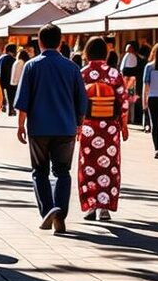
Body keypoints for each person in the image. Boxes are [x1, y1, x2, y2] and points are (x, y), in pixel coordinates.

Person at [14, 24, 87, 234]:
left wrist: (20, 125)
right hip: (66, 127)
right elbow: (81, 100)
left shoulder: (31, 66)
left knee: (40, 171)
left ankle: (48, 209)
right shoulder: (72, 67)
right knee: (63, 171)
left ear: (39, 41)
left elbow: (23, 101)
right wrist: (79, 124)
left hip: (39, 127)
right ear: (60, 41)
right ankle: (60, 213)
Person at [77, 37, 129, 221]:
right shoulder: (114, 74)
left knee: (88, 165)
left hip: (88, 126)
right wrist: (124, 125)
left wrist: (77, 126)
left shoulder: (82, 73)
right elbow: (123, 102)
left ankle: (91, 206)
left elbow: (76, 101)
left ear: (87, 53)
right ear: (105, 53)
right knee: (108, 166)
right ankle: (104, 208)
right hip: (109, 128)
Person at [0, 43, 19, 115]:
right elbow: (11, 70)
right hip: (8, 79)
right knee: (11, 96)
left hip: (0, 79)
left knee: (3, 94)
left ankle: (4, 106)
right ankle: (11, 109)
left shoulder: (0, 58)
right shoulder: (11, 59)